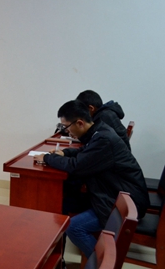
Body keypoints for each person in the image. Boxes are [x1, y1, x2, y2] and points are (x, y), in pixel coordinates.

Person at [34, 100, 149, 259]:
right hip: (112, 192)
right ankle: (58, 258)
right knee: (62, 203)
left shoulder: (104, 139)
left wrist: (47, 158)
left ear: (80, 123)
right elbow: (86, 152)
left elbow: (76, 167)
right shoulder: (100, 131)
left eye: (66, 127)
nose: (66, 131)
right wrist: (65, 153)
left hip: (124, 203)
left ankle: (105, 263)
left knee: (74, 228)